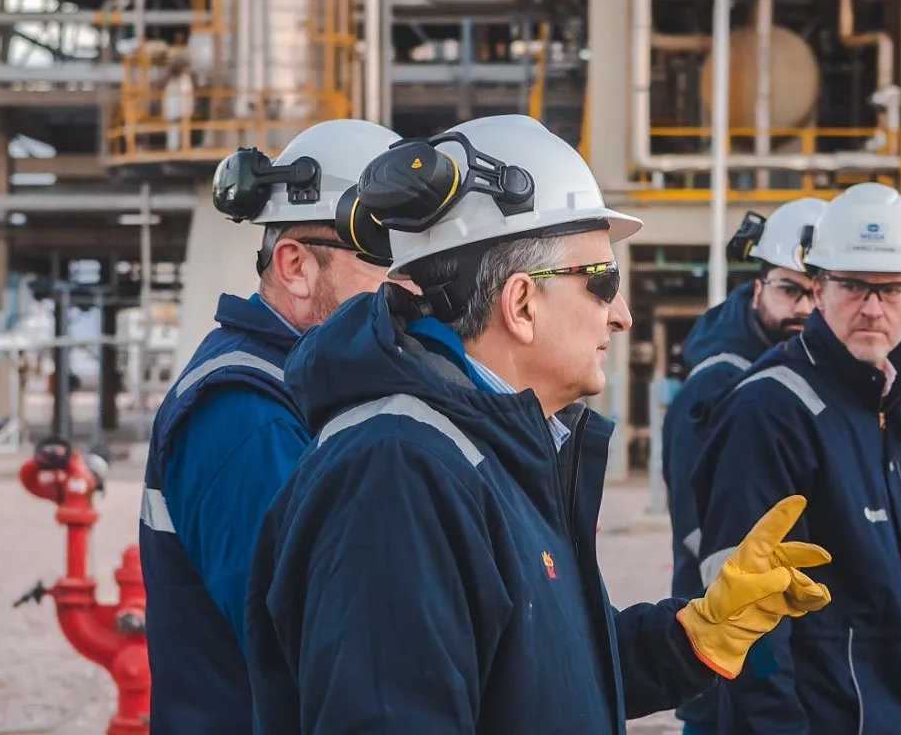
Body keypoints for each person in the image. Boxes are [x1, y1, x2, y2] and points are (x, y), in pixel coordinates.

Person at [244, 114, 835, 733]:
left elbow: (547, 675)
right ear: (521, 304)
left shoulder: (492, 451)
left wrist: (693, 634)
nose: (623, 316)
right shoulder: (396, 473)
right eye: (603, 283)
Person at [139, 118, 409, 734]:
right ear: (294, 265)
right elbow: (314, 642)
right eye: (387, 254)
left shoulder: (319, 391)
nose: (411, 284)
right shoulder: (244, 413)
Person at [689, 182, 901, 735]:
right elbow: (747, 617)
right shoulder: (771, 409)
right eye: (853, 286)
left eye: (893, 289)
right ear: (820, 286)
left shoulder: (898, 409)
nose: (873, 308)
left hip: (892, 712)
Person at [662, 197, 826, 735]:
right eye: (790, 289)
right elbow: (703, 531)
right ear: (758, 289)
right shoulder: (722, 381)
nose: (805, 306)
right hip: (731, 644)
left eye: (818, 290)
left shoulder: (796, 368)